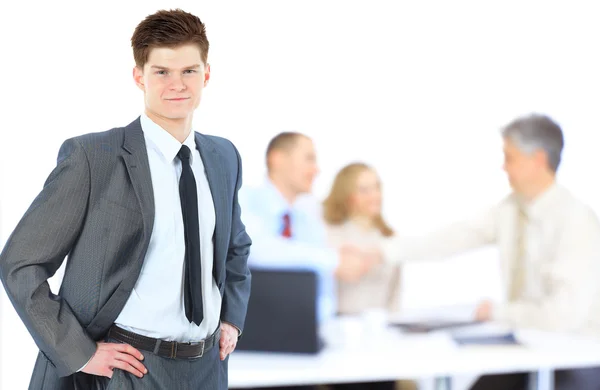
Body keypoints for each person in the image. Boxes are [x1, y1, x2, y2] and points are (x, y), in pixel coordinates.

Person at [0, 9, 251, 390]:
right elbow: (20, 263)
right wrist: (79, 351)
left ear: (207, 74)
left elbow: (235, 247)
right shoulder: (94, 157)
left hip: (207, 369)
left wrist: (231, 318)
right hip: (130, 369)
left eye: (189, 71)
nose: (177, 84)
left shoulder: (223, 156)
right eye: (162, 72)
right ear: (139, 76)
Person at [380, 114, 600, 390]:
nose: (504, 167)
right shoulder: (510, 209)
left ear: (538, 160)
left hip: (575, 357)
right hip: (528, 350)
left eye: (510, 158)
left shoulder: (576, 220)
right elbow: (456, 236)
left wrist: (498, 312)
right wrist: (384, 252)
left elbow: (562, 318)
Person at [239, 132, 375, 390]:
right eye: (309, 159)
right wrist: (332, 260)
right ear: (277, 159)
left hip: (301, 346)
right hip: (251, 352)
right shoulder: (243, 200)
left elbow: (321, 289)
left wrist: (329, 329)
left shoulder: (307, 217)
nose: (317, 169)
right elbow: (255, 250)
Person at [324, 162, 416, 390]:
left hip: (381, 338)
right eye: (364, 190)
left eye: (376, 187)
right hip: (341, 338)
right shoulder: (329, 234)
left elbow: (395, 295)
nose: (374, 195)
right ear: (347, 196)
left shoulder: (390, 238)